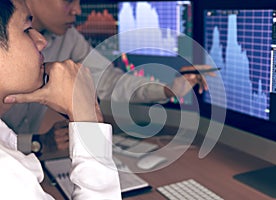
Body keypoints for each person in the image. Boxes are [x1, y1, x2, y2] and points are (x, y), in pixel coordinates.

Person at [2, 0, 216, 155]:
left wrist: (167, 89)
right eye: (68, 1)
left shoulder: (69, 39)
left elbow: (109, 81)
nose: (77, 10)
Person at [0, 0, 121, 198]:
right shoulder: (5, 173)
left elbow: (111, 80)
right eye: (26, 29)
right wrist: (87, 120)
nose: (41, 42)